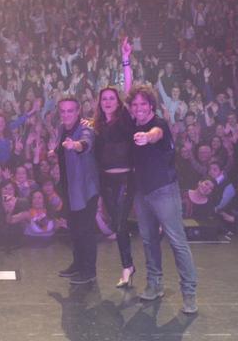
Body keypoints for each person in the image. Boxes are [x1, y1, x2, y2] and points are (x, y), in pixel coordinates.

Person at [128, 84, 198, 314]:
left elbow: (155, 134)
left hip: (164, 190)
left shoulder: (159, 124)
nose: (138, 108)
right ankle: (155, 284)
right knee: (149, 240)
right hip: (142, 192)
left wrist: (147, 137)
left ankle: (189, 293)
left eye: (143, 104)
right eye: (134, 104)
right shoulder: (132, 124)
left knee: (177, 241)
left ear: (151, 105)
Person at [93, 37, 136, 288]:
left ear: (117, 101)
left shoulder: (123, 119)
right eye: (104, 99)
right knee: (116, 225)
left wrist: (125, 60)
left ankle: (127, 266)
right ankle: (128, 265)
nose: (108, 101)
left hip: (126, 179)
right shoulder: (98, 126)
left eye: (111, 98)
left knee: (119, 224)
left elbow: (129, 91)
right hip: (107, 181)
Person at [53, 96, 100, 285]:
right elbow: (61, 149)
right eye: (63, 111)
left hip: (85, 189)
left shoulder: (85, 127)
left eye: (70, 111)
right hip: (69, 188)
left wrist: (75, 145)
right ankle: (78, 264)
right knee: (74, 229)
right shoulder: (62, 128)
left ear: (78, 111)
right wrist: (55, 151)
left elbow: (85, 144)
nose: (66, 115)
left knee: (85, 230)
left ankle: (89, 271)